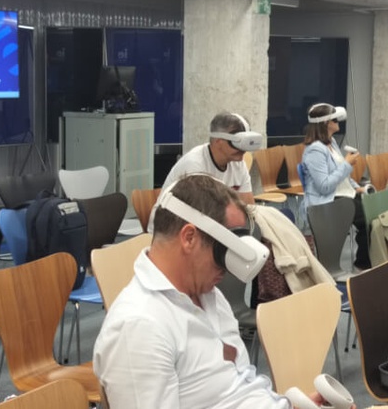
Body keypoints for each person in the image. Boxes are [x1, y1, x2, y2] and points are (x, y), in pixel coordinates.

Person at [93, 174, 341, 409]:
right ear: (189, 237)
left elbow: (236, 387)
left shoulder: (208, 295)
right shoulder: (139, 327)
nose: (230, 271)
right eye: (224, 254)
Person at [147, 111, 261, 232]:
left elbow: (249, 208)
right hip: (170, 230)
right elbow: (201, 216)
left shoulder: (238, 163)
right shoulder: (194, 165)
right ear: (218, 142)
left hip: (210, 225)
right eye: (237, 143)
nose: (242, 149)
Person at [301, 102, 371, 270]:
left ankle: (367, 262)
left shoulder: (331, 143)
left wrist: (357, 188)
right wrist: (347, 163)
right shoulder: (315, 150)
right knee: (368, 218)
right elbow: (324, 186)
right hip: (327, 201)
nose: (338, 120)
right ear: (326, 123)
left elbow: (343, 177)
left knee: (374, 213)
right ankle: (363, 264)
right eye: (334, 118)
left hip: (344, 195)